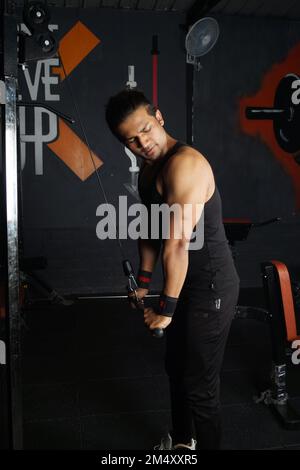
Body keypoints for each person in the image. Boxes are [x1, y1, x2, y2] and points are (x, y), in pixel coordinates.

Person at [105, 89, 240, 450]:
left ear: (159, 117)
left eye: (146, 129)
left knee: (200, 386)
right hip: (183, 285)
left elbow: (178, 243)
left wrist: (166, 309)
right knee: (175, 370)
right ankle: (183, 444)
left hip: (210, 287)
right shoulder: (149, 173)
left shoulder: (186, 165)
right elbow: (150, 233)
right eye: (131, 140)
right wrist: (144, 282)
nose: (142, 143)